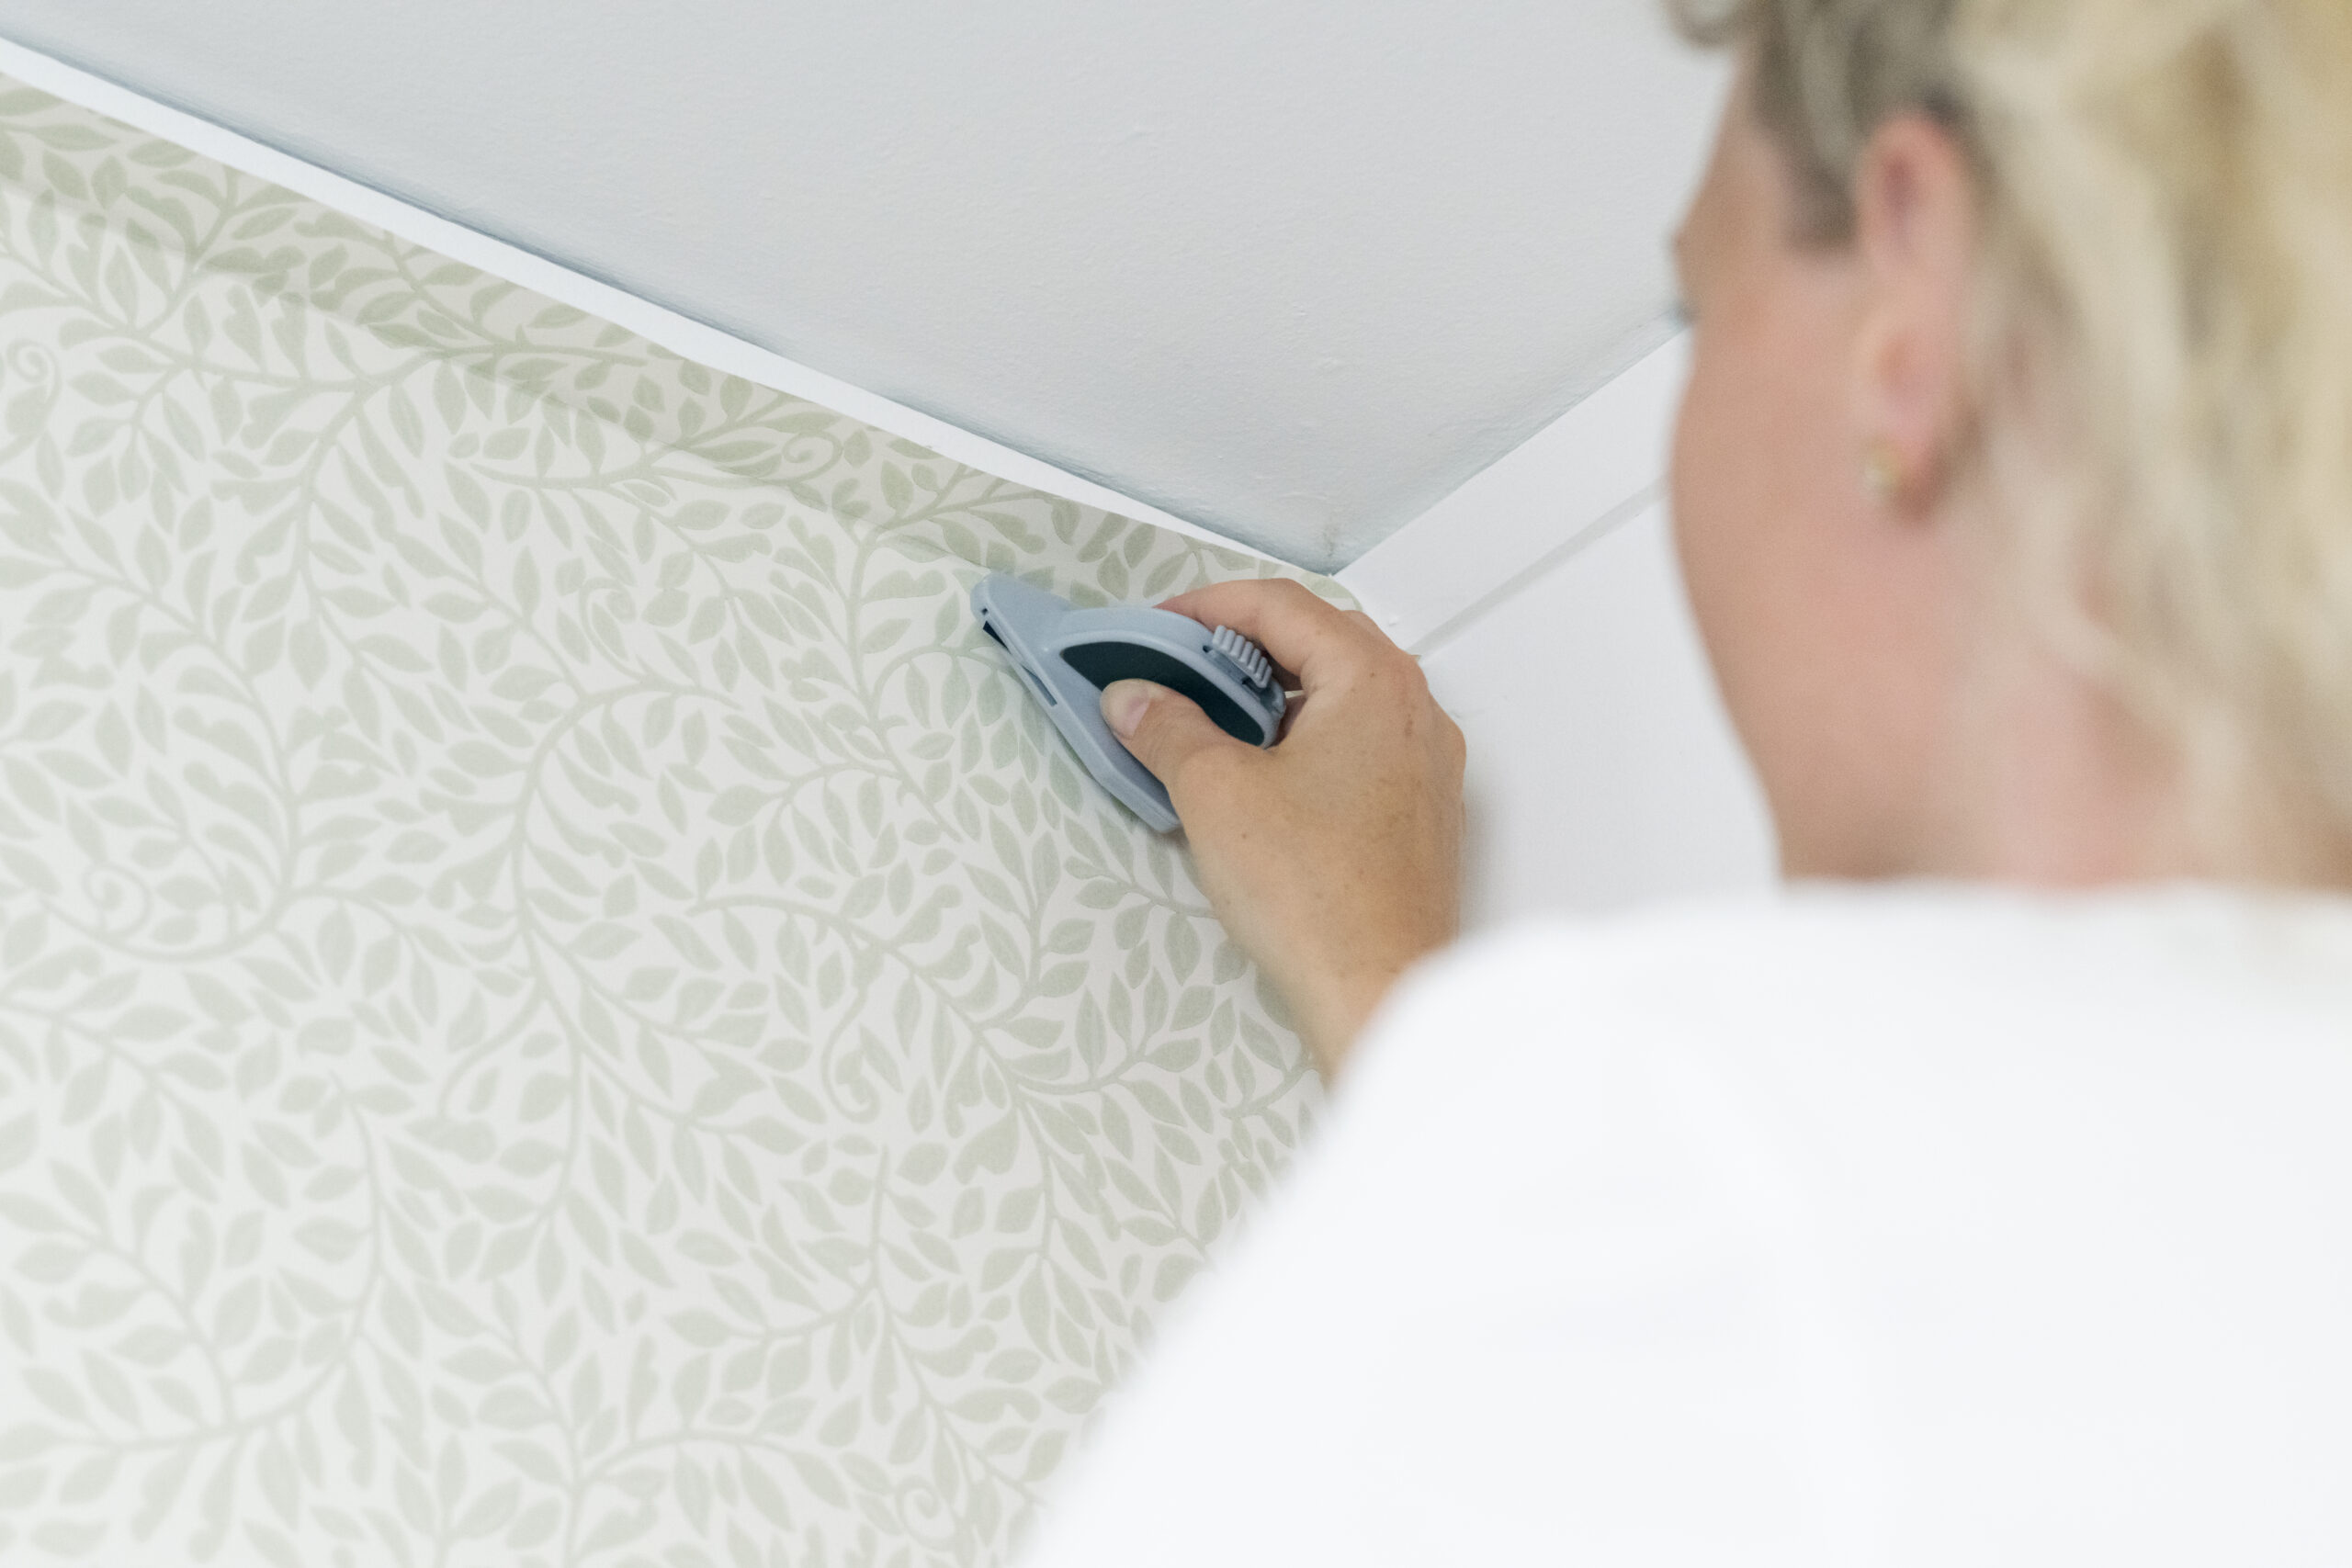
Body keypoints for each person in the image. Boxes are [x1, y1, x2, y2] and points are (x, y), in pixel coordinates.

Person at [1015, 0, 2352, 1561]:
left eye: (1700, 313)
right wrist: (1407, 1009)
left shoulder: (1704, 1159)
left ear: (1911, 318)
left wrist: (1524, 1110)